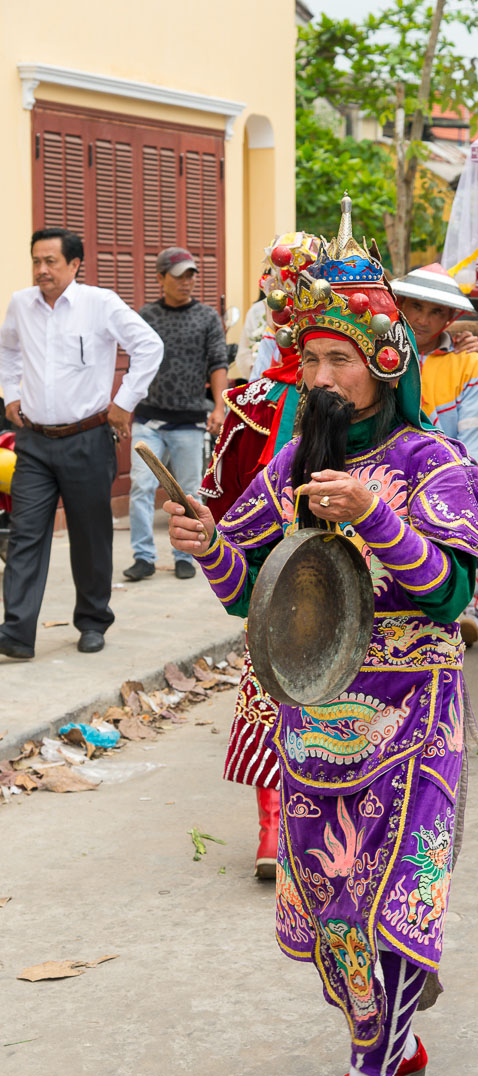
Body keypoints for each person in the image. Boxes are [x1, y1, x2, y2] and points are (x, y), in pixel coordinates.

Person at [166, 195, 478, 1076]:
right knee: (338, 920)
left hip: (414, 719)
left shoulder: (429, 465)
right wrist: (211, 544)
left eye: (340, 359)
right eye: (311, 361)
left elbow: (451, 595)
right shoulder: (291, 469)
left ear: (383, 365)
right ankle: (391, 1038)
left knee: (394, 901)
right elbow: (250, 601)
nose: (322, 379)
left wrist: (379, 520)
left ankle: (375, 1058)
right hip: (312, 718)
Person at [199, 232, 320, 880]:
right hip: (277, 574)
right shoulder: (253, 404)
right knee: (273, 692)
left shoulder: (356, 403)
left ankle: (302, 826)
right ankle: (275, 827)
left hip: (342, 563)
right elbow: (218, 505)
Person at [0, 228, 163, 659]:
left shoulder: (100, 304)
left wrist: (124, 402)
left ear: (74, 265)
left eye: (51, 261)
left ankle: (92, 621)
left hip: (87, 439)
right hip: (34, 441)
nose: (41, 270)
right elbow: (7, 350)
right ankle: (16, 632)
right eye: (36, 261)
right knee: (25, 535)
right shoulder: (21, 304)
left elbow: (149, 346)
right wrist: (10, 394)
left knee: (90, 536)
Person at [391, 263, 478, 645]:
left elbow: (473, 438)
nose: (422, 319)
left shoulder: (467, 362)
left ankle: (452, 617)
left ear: (450, 317)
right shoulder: (379, 353)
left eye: (436, 311)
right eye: (415, 306)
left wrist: (468, 488)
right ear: (399, 303)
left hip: (442, 479)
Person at [123, 247, 228, 582]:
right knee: (140, 486)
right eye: (179, 275)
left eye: (191, 275)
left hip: (189, 422)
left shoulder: (207, 317)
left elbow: (218, 363)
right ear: (160, 278)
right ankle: (143, 556)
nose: (187, 282)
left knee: (188, 492)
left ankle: (185, 554)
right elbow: (136, 364)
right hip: (148, 419)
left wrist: (220, 406)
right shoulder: (146, 316)